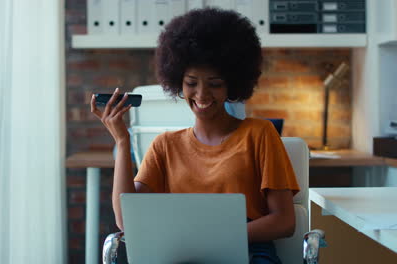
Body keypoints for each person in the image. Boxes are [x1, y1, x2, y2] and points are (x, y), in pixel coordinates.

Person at [91, 7, 299, 264]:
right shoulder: (165, 146)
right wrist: (122, 142)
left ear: (232, 84)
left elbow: (285, 221)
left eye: (214, 84)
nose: (201, 95)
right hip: (185, 254)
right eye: (191, 83)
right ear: (178, 83)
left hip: (248, 250)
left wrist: (215, 238)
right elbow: (126, 220)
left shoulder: (259, 134)